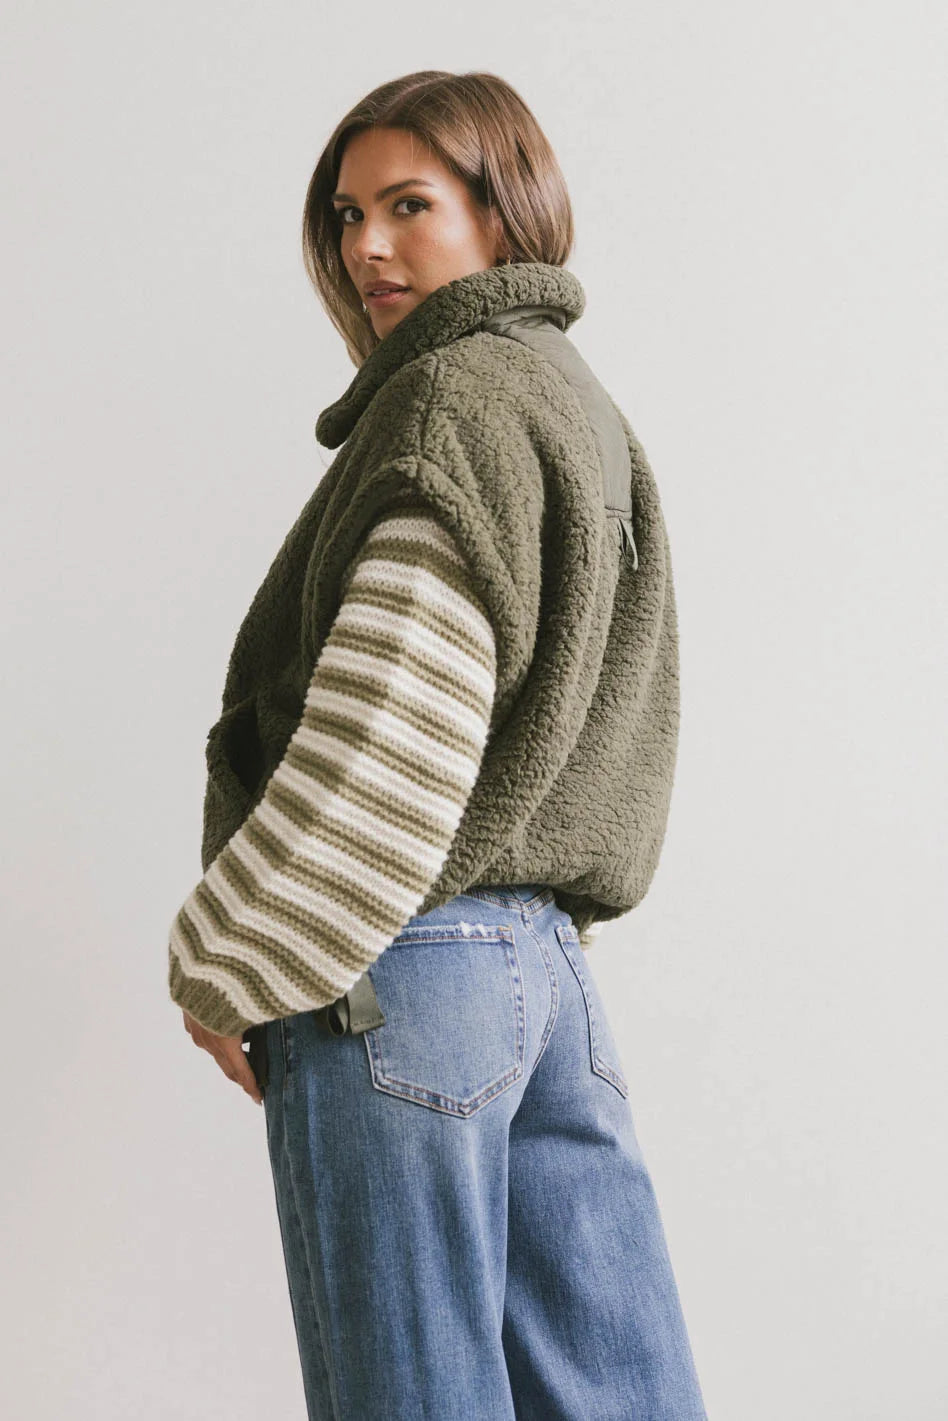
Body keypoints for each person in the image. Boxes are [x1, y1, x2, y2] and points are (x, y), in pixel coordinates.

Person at [167, 70, 708, 1421]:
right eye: (350, 215)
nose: (367, 248)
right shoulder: (576, 404)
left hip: (399, 966)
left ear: (502, 211)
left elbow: (395, 735)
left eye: (410, 206)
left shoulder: (451, 401)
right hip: (547, 975)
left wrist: (226, 961)